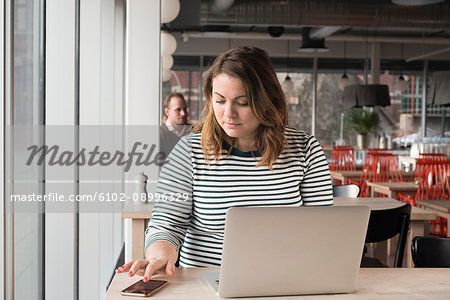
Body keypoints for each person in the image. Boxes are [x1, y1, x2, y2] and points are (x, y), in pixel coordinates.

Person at [117, 46, 333, 281]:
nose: (228, 114)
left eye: (242, 102)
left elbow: (320, 231)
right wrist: (159, 255)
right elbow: (167, 223)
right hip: (205, 284)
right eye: (219, 100)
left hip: (284, 281)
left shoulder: (305, 149)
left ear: (267, 100)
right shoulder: (189, 151)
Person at [159, 93, 191, 157]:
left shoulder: (193, 131)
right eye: (178, 110)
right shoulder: (159, 134)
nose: (183, 113)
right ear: (167, 112)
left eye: (184, 109)